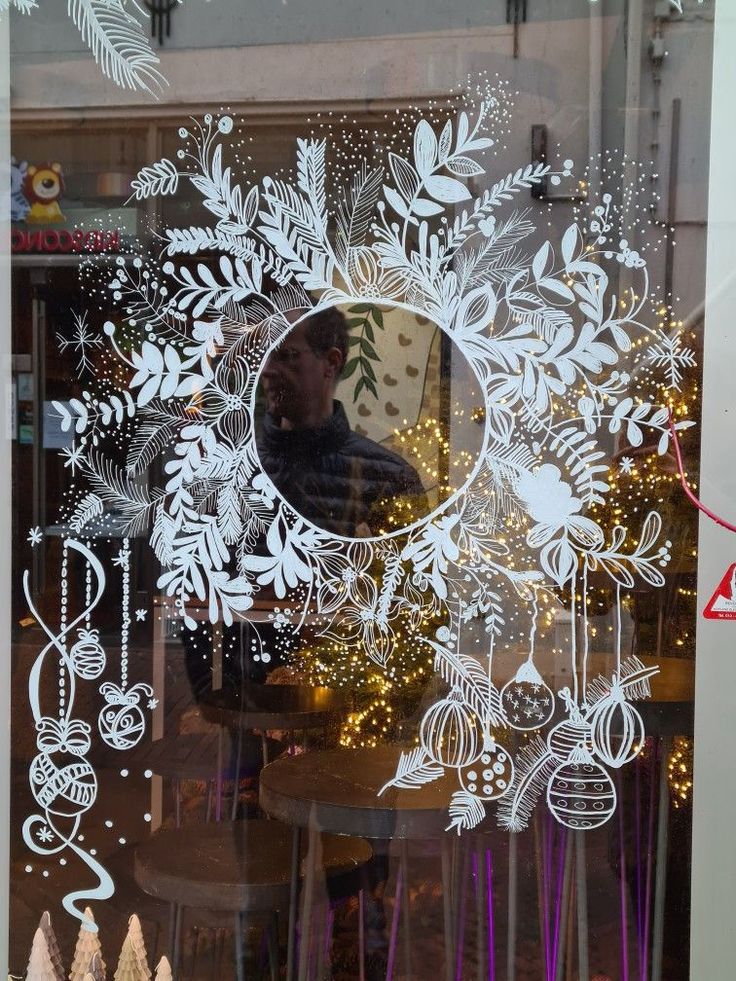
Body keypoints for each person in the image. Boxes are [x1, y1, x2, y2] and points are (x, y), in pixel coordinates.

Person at [257, 306, 427, 537]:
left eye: (287, 355)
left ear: (331, 363)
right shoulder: (234, 469)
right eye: (265, 355)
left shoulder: (391, 480)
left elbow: (408, 571)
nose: (266, 370)